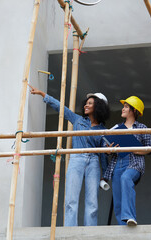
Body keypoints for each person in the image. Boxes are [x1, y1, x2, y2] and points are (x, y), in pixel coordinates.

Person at [29, 85, 109, 226]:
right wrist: (43, 95)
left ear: (98, 107)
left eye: (90, 103)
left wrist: (105, 175)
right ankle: (70, 230)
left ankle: (90, 232)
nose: (86, 105)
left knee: (93, 202)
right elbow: (62, 108)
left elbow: (103, 154)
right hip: (77, 158)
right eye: (86, 102)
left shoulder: (103, 130)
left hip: (94, 161)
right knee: (71, 199)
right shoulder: (78, 120)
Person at [103, 96, 151, 226]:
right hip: (117, 163)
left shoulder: (142, 127)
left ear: (133, 110)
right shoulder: (117, 128)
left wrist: (134, 149)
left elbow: (149, 149)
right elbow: (105, 148)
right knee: (118, 198)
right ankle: (123, 225)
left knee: (126, 178)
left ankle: (130, 217)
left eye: (126, 106)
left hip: (134, 163)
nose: (123, 109)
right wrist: (109, 149)